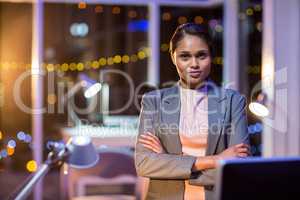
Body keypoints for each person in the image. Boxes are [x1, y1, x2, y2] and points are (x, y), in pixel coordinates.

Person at [135, 23, 250, 200]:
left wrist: (170, 161)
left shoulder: (233, 100)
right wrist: (215, 160)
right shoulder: (153, 101)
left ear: (211, 56)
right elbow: (144, 164)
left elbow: (237, 168)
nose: (194, 64)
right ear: (174, 58)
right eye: (185, 56)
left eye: (201, 55)